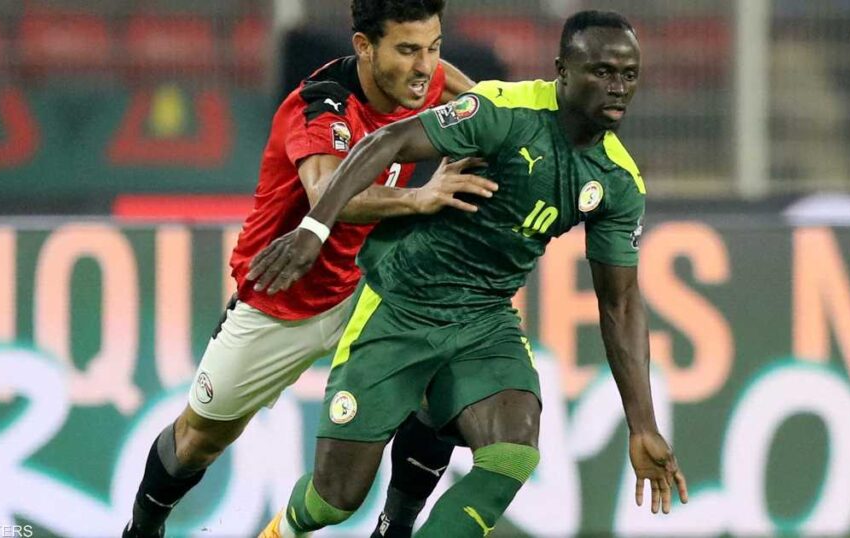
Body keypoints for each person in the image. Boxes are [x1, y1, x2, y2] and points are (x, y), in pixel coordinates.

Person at [248, 10, 688, 537]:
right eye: (602, 72)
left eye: (629, 74)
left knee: (514, 449)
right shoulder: (503, 112)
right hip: (402, 305)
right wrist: (315, 229)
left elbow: (620, 304)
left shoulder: (617, 181)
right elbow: (385, 143)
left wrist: (642, 425)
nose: (618, 87)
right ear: (563, 71)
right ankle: (283, 528)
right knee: (334, 500)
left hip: (485, 318)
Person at [121, 2, 497, 537]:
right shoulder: (319, 107)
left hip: (368, 289)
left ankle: (395, 529)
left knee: (445, 394)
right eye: (409, 50)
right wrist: (421, 197)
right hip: (283, 298)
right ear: (365, 47)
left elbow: (489, 109)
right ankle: (142, 527)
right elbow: (328, 193)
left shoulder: (427, 81)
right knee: (198, 439)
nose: (425, 66)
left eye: (434, 48)